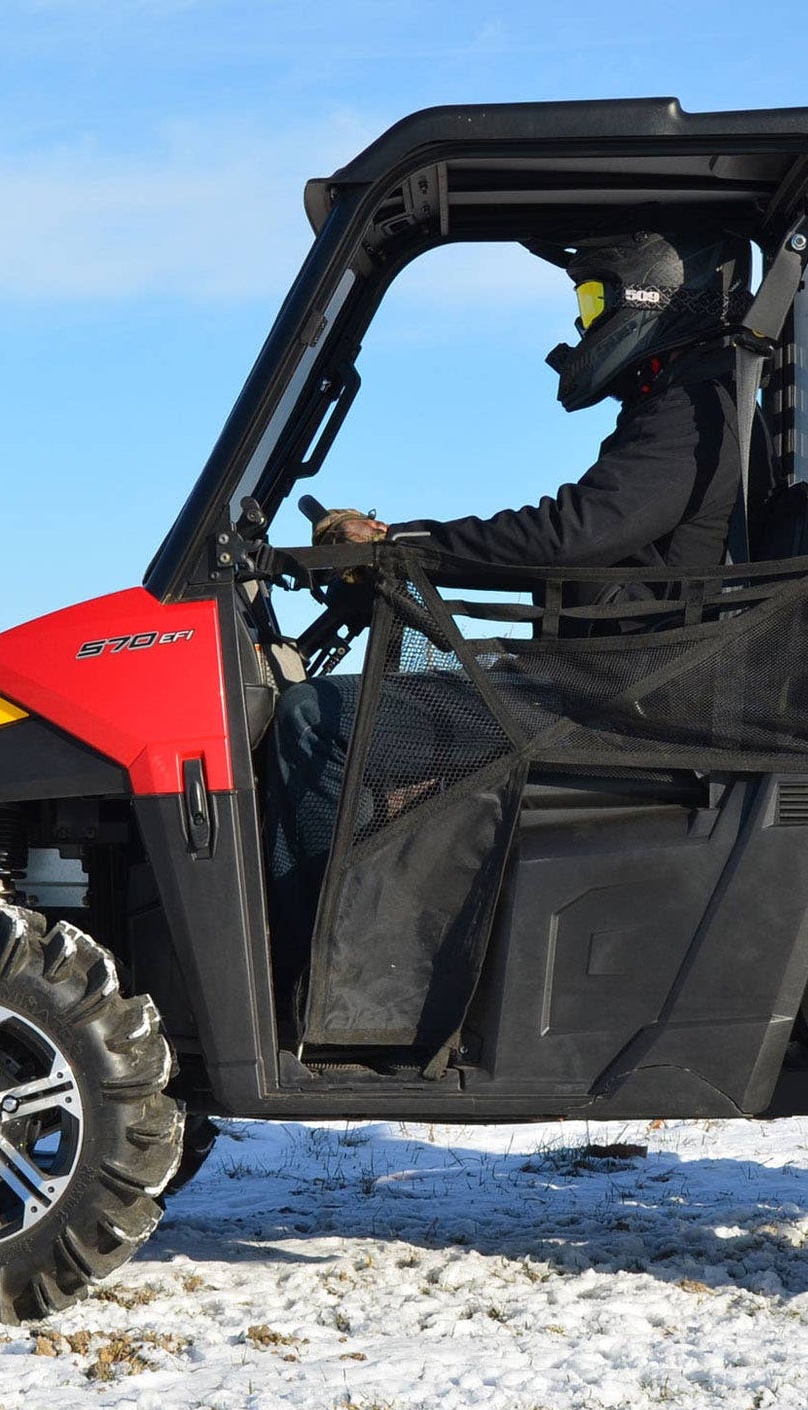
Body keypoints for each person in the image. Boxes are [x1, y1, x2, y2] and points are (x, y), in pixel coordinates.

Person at [266, 227, 771, 971]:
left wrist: (405, 542)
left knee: (312, 721)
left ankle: (310, 975)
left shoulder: (692, 409)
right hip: (592, 678)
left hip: (601, 696)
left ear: (650, 298)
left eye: (594, 298)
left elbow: (575, 533)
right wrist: (402, 546)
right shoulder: (682, 401)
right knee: (358, 715)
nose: (582, 322)